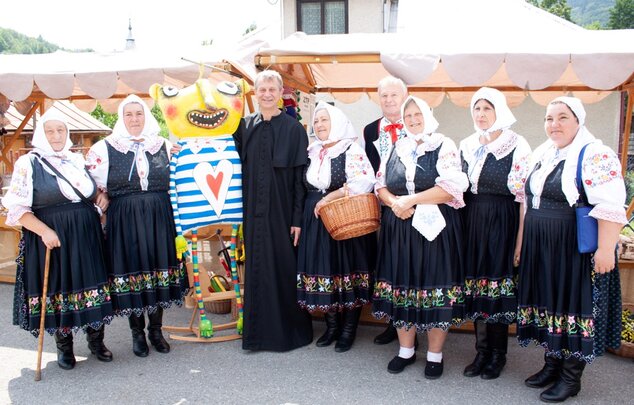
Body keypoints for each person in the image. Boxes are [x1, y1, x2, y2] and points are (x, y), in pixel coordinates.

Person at [517, 96, 625, 403]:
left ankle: (570, 377)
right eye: (549, 118)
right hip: (542, 242)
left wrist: (605, 249)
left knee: (572, 305)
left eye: (562, 117)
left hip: (571, 245)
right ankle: (552, 365)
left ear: (579, 120)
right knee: (551, 303)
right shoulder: (544, 153)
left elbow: (610, 204)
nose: (554, 124)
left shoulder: (595, 154)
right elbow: (529, 201)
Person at [5, 109, 113, 370]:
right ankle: (64, 348)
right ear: (41, 134)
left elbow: (90, 191)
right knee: (60, 288)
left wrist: (102, 197)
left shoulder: (77, 160)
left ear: (67, 133)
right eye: (50, 131)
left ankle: (96, 341)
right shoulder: (28, 164)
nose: (56, 135)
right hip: (51, 237)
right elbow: (17, 209)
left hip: (86, 235)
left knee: (91, 284)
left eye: (60, 130)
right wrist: (43, 230)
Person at [372, 96, 468, 379]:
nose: (413, 120)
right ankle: (406, 350)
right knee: (403, 285)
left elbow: (451, 188)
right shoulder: (394, 147)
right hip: (400, 227)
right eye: (409, 115)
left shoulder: (444, 144)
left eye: (418, 114)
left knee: (434, 287)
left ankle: (435, 355)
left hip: (436, 230)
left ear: (428, 115)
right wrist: (394, 203)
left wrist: (410, 199)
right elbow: (380, 185)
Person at [87, 95, 186, 357]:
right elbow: (88, 183)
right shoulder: (104, 149)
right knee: (132, 274)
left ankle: (156, 330)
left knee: (157, 270)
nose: (134, 119)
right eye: (129, 114)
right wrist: (100, 194)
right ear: (121, 118)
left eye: (139, 114)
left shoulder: (163, 145)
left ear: (147, 117)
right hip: (125, 219)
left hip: (159, 216)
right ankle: (137, 333)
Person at [234, 70, 313, 351]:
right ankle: (256, 336)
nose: (267, 94)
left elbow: (299, 180)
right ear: (255, 93)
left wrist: (297, 219)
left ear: (281, 93)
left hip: (281, 215)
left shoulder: (294, 130)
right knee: (255, 270)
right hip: (252, 215)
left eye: (272, 89)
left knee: (282, 269)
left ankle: (287, 334)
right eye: (262, 89)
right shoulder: (243, 127)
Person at [459, 87, 532, 380]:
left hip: (503, 220)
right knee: (477, 285)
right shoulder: (466, 144)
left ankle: (498, 354)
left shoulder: (517, 144)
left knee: (497, 287)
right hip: (472, 220)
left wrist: (519, 241)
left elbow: (525, 197)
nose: (480, 115)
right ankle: (482, 351)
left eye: (487, 109)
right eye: (476, 109)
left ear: (498, 110)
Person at [296, 101, 376, 352]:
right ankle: (331, 326)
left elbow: (365, 181)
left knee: (347, 270)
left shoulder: (350, 149)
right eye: (317, 121)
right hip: (315, 219)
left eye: (325, 120)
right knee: (325, 270)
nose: (319, 125)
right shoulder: (311, 151)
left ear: (338, 122)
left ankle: (348, 329)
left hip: (343, 216)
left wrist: (330, 198)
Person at [362, 75, 408, 346]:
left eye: (394, 95)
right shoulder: (370, 130)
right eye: (384, 96)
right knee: (387, 265)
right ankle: (393, 322)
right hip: (382, 204)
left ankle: (411, 320)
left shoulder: (415, 125)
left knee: (407, 264)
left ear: (404, 96)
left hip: (410, 205)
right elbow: (368, 167)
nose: (389, 100)